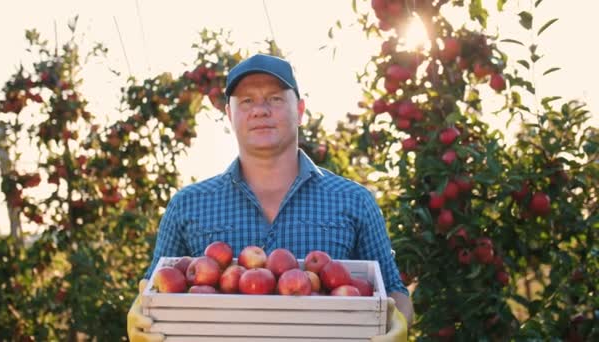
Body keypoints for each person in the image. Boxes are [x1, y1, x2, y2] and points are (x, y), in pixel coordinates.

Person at [127, 53, 414, 341]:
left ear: (300, 111)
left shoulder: (354, 200)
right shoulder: (187, 205)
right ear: (230, 115)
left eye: (275, 98)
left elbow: (392, 291)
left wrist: (398, 322)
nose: (260, 110)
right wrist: (140, 313)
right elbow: (153, 291)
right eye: (247, 101)